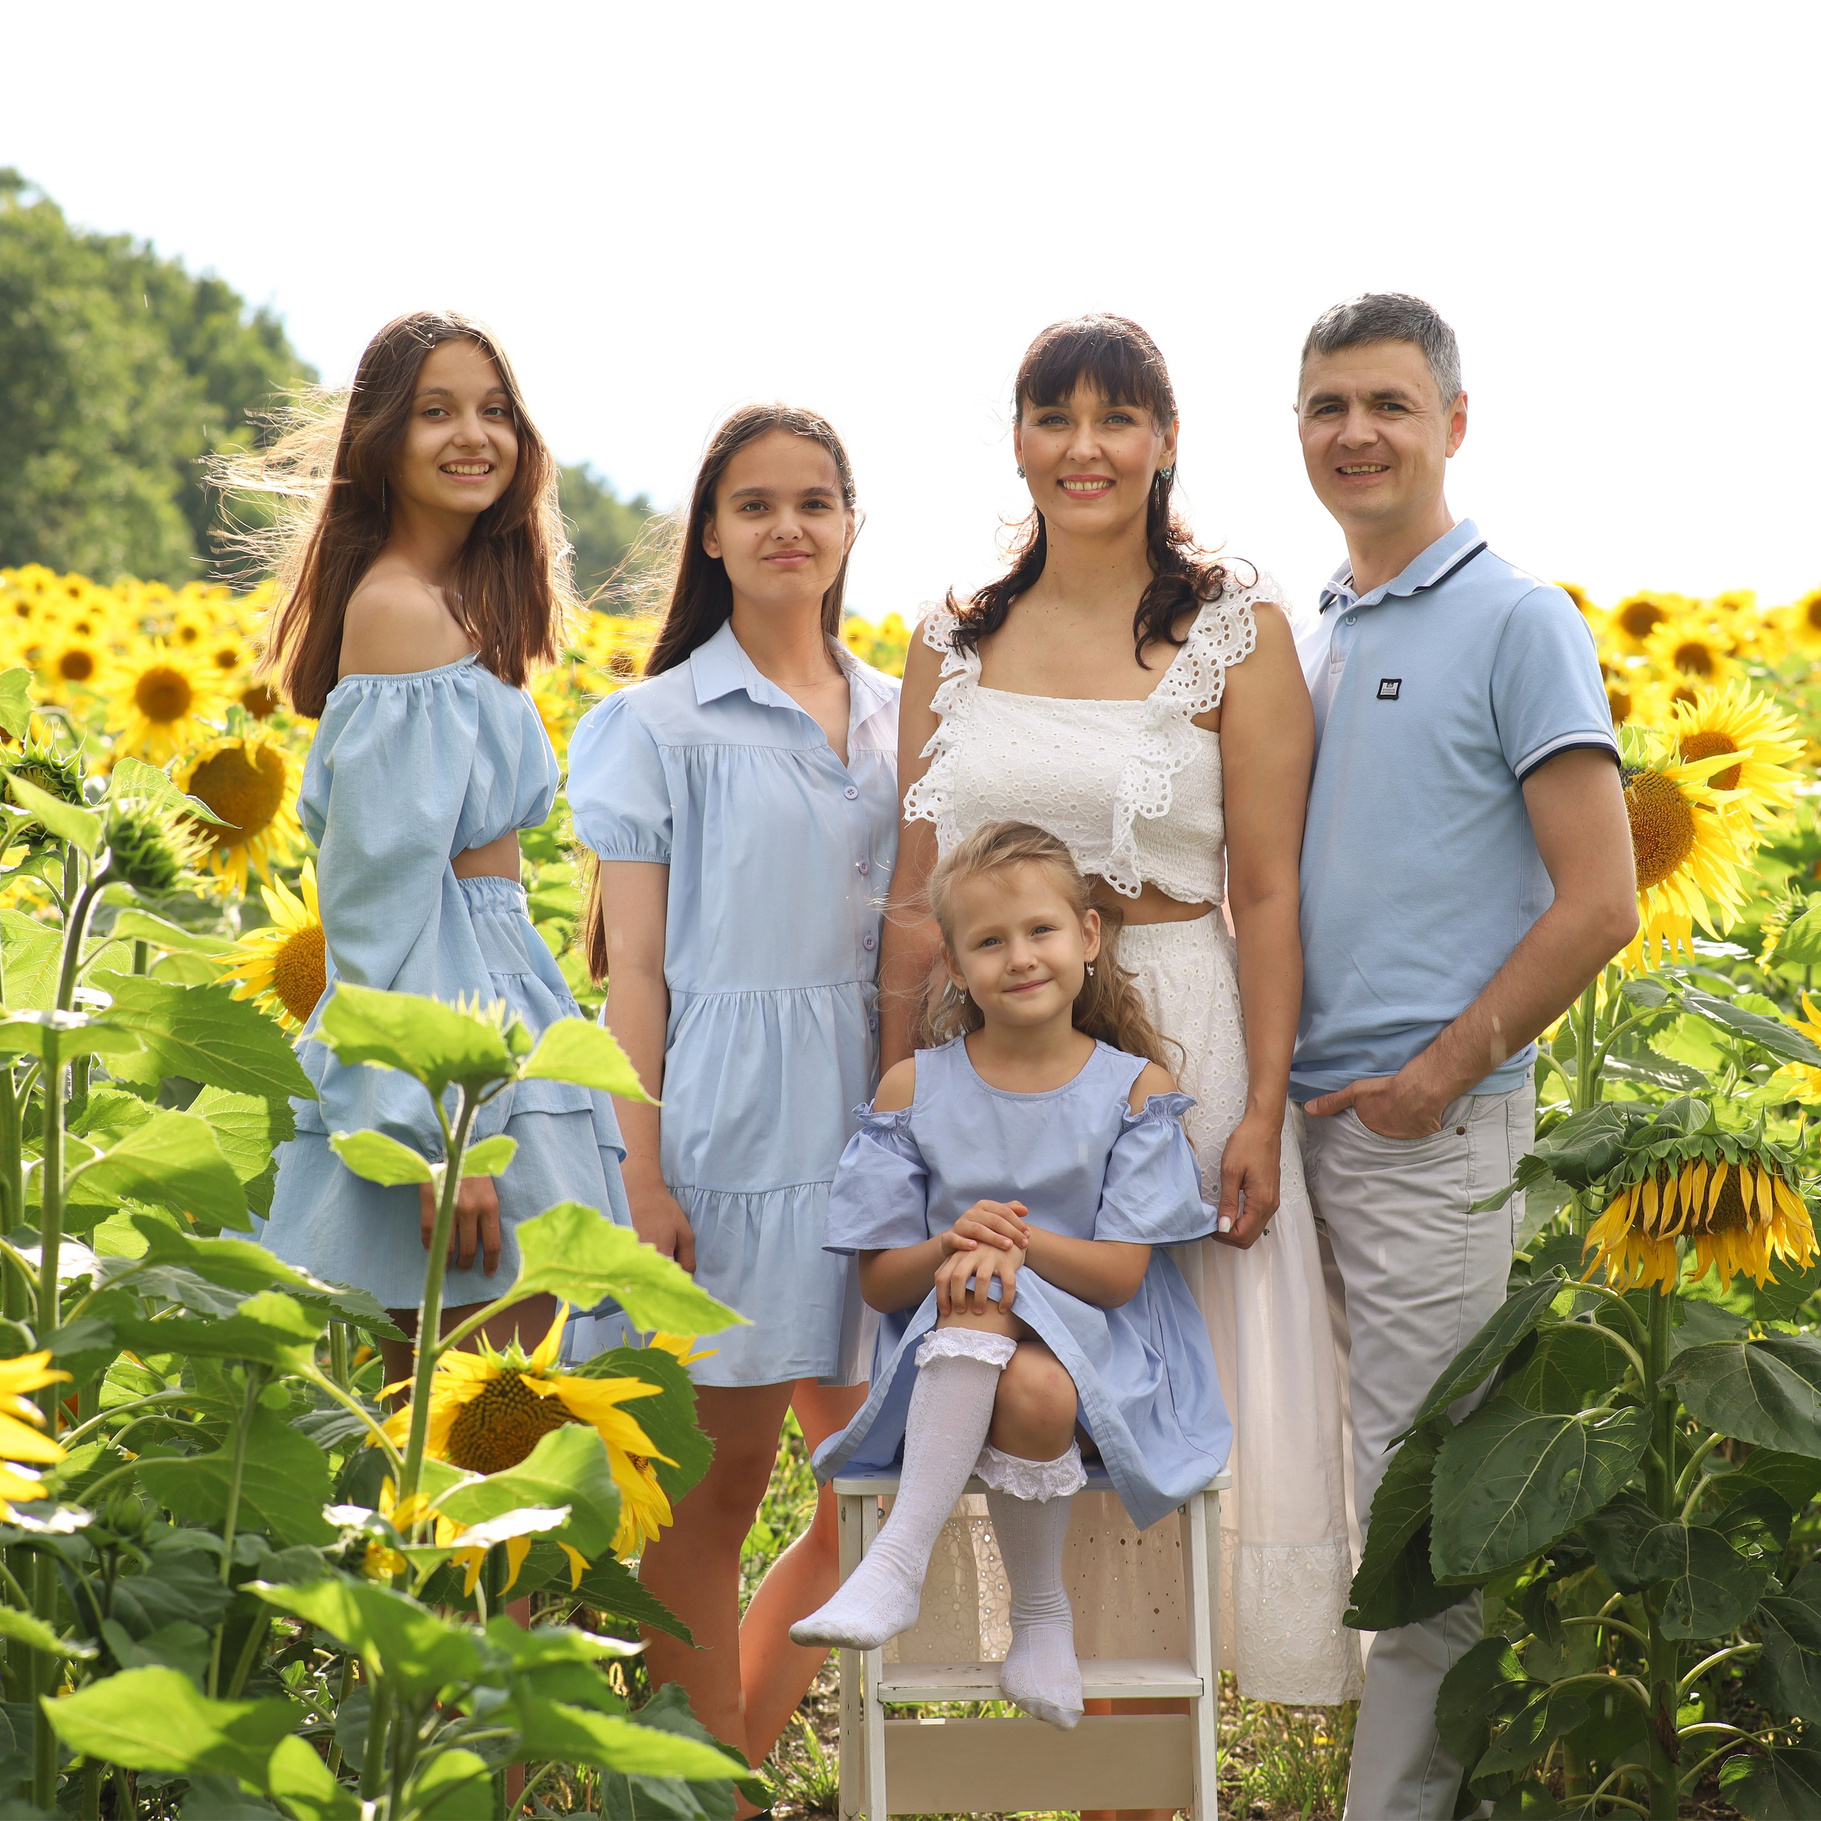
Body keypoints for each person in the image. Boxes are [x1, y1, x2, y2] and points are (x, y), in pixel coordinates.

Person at [879, 316, 1359, 1799]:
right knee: (1034, 1382)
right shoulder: (950, 640)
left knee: (1164, 1403)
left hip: (1182, 1043)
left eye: (1116, 418)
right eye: (1053, 417)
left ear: (1165, 439)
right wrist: (892, 1107)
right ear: (1018, 438)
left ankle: (1153, 1785)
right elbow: (914, 898)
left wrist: (1260, 1106)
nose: (1083, 447)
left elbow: (1266, 889)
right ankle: (1067, 1751)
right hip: (994, 1063)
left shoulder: (1235, 631)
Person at [1291, 293, 1639, 1819]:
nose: (1355, 432)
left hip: (1428, 1130)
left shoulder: (1516, 619)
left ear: (1452, 420)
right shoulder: (1319, 630)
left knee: (1420, 1512)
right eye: (1326, 406)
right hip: (1300, 1124)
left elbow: (1603, 899)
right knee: (1337, 1492)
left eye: (1387, 403)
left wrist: (1441, 1072)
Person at [564, 405, 899, 1801]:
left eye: (814, 501)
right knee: (715, 1487)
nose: (786, 527)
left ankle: (719, 1775)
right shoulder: (657, 724)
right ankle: (699, 1791)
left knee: (872, 1494)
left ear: (850, 524)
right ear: (709, 533)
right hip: (721, 1131)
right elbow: (633, 972)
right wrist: (640, 1174)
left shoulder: (906, 714)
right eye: (754, 504)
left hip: (876, 1133)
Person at [252, 309, 632, 1388]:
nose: (474, 435)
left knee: (490, 1409)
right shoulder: (400, 612)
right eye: (436, 411)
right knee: (477, 1414)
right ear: (382, 442)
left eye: (494, 410)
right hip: (447, 1027)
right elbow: (379, 908)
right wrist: (430, 1134)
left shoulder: (458, 606)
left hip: (495, 990)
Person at [793, 821, 1228, 1734]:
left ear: (1089, 936)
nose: (1020, 957)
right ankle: (1022, 1610)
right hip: (950, 1362)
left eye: (1040, 931)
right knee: (990, 1309)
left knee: (1004, 1308)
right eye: (989, 941)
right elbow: (882, 1285)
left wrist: (1013, 1249)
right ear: (954, 965)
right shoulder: (914, 1088)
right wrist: (951, 1243)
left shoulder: (1133, 1089)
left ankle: (917, 1571)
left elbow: (1118, 1276)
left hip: (1105, 1367)